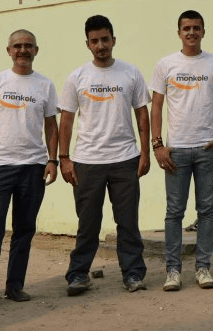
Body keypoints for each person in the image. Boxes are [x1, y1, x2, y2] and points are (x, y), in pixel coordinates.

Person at [58, 15, 151, 294]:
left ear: (113, 40)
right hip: (87, 161)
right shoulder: (77, 77)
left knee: (127, 222)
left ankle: (133, 273)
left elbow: (142, 115)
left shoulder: (131, 73)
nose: (101, 45)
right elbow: (66, 120)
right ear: (87, 44)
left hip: (125, 159)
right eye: (95, 41)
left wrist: (145, 152)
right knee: (88, 223)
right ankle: (78, 274)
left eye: (105, 39)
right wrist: (64, 158)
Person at [0, 30, 59, 311]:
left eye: (28, 46)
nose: (23, 50)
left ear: (36, 50)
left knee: (24, 230)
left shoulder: (45, 85)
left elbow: (51, 126)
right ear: (8, 50)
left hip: (33, 167)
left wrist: (52, 160)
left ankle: (15, 286)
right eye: (17, 46)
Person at [150, 10, 213, 291]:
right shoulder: (166, 64)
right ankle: (173, 270)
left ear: (204, 31)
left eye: (196, 28)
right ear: (179, 32)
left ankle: (203, 268)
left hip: (207, 148)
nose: (191, 33)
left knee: (207, 211)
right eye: (186, 28)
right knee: (174, 211)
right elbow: (156, 106)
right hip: (177, 151)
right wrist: (157, 145)